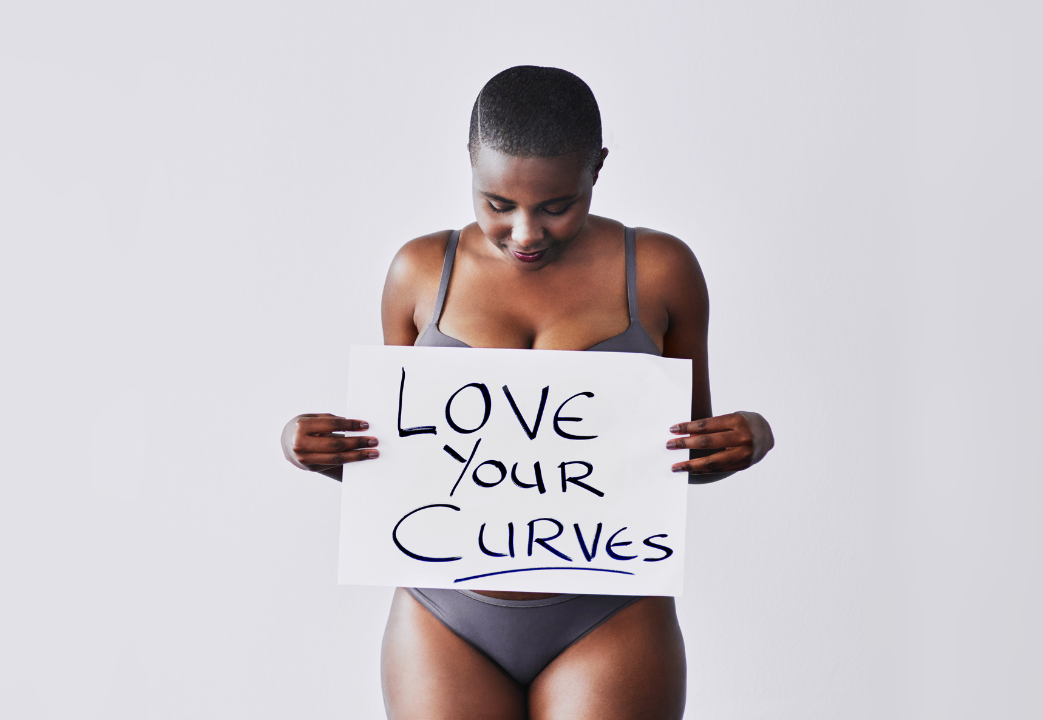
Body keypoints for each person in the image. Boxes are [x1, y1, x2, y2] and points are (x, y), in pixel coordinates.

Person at [280, 66, 774, 720]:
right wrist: (309, 447)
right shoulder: (419, 272)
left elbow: (680, 459)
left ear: (596, 168)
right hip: (443, 615)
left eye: (556, 206)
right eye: (498, 204)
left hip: (610, 612)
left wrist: (750, 438)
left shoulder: (659, 271)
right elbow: (406, 461)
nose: (525, 234)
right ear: (469, 162)